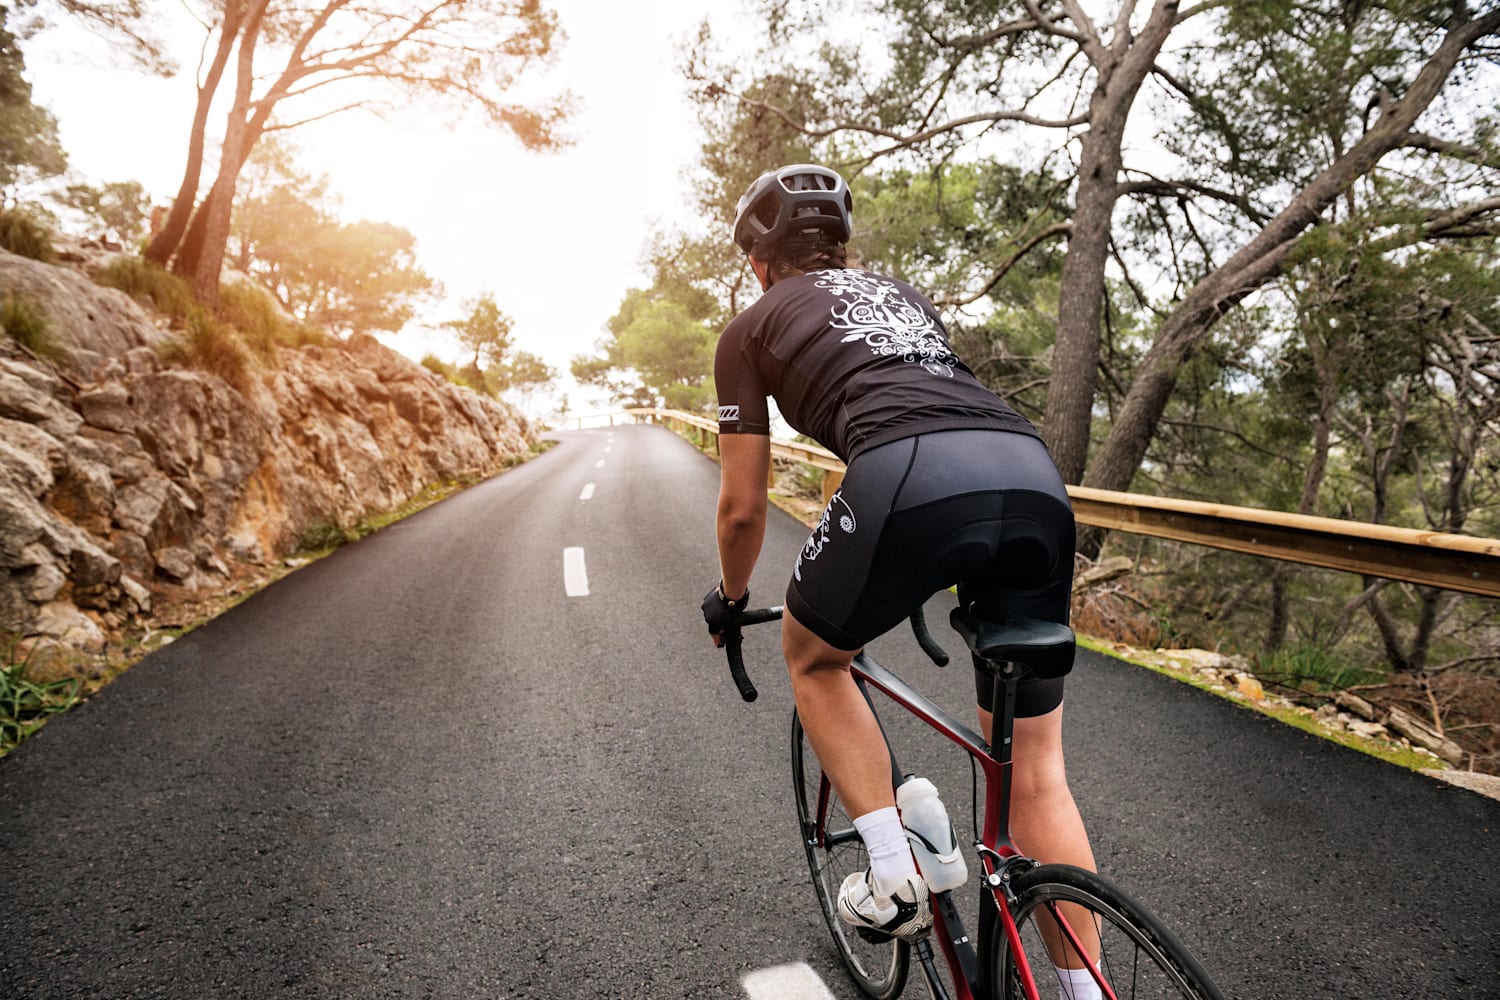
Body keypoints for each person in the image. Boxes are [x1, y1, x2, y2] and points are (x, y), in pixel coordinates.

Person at [701, 164, 1097, 946]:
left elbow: (744, 506)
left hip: (909, 477)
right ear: (842, 251)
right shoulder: (908, 298)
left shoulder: (747, 331)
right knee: (1037, 771)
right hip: (1031, 474)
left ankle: (891, 877)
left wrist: (731, 595)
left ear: (756, 261)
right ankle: (1089, 989)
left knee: (815, 657)